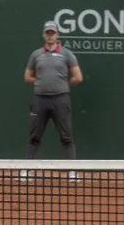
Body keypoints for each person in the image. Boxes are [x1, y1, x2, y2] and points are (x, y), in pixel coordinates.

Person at [24, 20, 83, 159]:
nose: (50, 36)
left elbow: (78, 77)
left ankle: (71, 171)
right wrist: (40, 81)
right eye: (47, 33)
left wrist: (63, 83)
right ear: (43, 35)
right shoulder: (36, 55)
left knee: (66, 137)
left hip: (60, 100)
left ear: (57, 35)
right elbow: (27, 77)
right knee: (34, 137)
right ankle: (26, 169)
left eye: (53, 33)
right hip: (40, 100)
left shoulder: (67, 54)